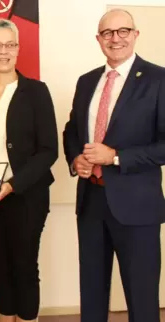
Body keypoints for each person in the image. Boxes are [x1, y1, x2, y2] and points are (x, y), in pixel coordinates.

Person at [63, 8, 165, 322]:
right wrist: (75, 159)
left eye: (123, 31)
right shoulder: (87, 81)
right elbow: (72, 131)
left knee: (141, 296)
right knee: (91, 293)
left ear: (135, 35)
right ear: (98, 39)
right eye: (107, 33)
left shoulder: (158, 79)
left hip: (137, 206)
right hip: (91, 201)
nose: (115, 38)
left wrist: (116, 156)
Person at [0, 19, 58, 322]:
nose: (3, 51)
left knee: (24, 268)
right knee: (0, 270)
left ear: (18, 49)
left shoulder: (36, 92)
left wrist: (12, 185)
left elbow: (49, 151)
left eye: (9, 45)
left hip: (25, 196)